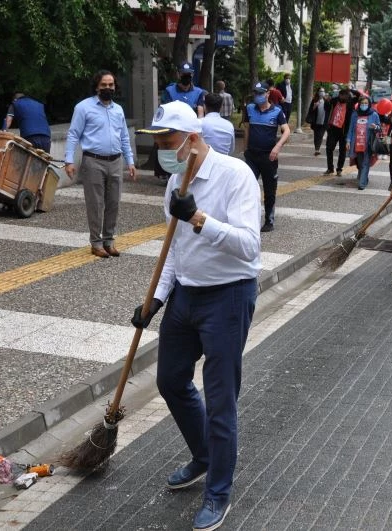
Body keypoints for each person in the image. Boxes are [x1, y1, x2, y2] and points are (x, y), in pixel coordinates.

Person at [132, 100, 261, 531]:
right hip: (186, 295)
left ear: (191, 139)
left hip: (228, 296)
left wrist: (200, 217)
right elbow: (174, 246)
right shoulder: (174, 182)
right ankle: (204, 455)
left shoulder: (235, 175)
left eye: (166, 141)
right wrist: (156, 299)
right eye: (156, 142)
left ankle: (218, 492)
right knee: (170, 379)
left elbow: (249, 246)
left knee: (221, 400)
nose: (161, 150)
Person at [65, 70, 135, 257]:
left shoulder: (118, 110)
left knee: (114, 203)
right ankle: (96, 243)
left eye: (111, 85)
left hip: (116, 161)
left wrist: (130, 161)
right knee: (95, 204)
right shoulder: (83, 108)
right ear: (96, 87)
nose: (108, 88)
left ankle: (109, 241)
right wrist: (69, 160)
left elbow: (124, 137)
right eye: (104, 85)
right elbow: (73, 134)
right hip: (93, 161)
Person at [242, 81, 290, 232]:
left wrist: (277, 147)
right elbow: (247, 129)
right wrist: (245, 149)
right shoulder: (250, 108)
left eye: (261, 93)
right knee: (247, 188)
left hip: (269, 157)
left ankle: (269, 220)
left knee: (270, 190)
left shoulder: (277, 111)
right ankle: (248, 219)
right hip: (252, 155)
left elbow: (287, 131)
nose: (258, 96)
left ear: (268, 94)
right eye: (256, 93)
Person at [345, 95, 380, 190]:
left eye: (366, 103)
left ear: (369, 104)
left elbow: (379, 128)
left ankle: (362, 183)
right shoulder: (355, 114)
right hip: (357, 143)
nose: (364, 105)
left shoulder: (374, 114)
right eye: (362, 103)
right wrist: (348, 141)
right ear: (359, 104)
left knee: (365, 162)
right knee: (360, 163)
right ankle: (364, 177)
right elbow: (351, 129)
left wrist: (375, 127)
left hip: (368, 143)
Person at [324, 86, 357, 177]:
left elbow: (358, 95)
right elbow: (326, 108)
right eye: (341, 95)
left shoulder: (350, 103)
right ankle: (330, 168)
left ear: (347, 96)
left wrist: (350, 90)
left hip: (344, 131)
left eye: (345, 95)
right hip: (333, 129)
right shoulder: (334, 101)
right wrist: (326, 101)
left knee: (342, 151)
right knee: (329, 148)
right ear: (339, 95)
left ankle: (339, 169)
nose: (342, 97)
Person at [305, 87, 328, 156]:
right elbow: (310, 110)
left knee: (320, 135)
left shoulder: (326, 100)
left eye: (323, 91)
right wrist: (314, 106)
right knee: (316, 135)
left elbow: (329, 109)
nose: (322, 93)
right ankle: (316, 149)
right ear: (318, 92)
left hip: (324, 122)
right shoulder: (314, 100)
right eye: (321, 91)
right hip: (316, 121)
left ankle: (318, 149)